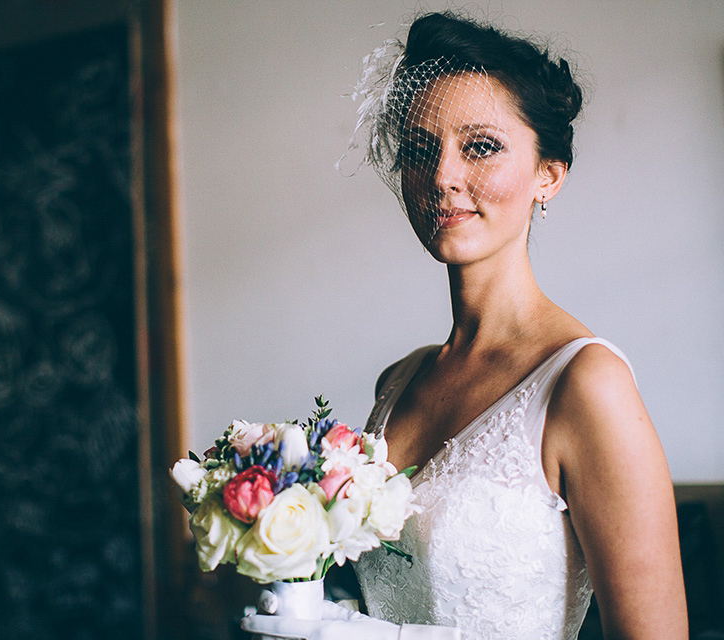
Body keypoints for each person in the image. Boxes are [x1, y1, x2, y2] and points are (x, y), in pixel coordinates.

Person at [242, 11, 688, 640]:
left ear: (548, 176)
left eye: (480, 146)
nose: (444, 177)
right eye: (422, 151)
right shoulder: (398, 382)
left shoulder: (587, 384)